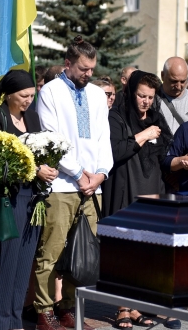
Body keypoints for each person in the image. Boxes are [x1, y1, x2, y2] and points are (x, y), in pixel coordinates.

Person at [35, 36, 113, 330]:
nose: (88, 74)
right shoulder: (51, 91)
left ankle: (68, 307)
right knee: (52, 250)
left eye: (92, 69)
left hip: (93, 186)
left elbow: (103, 137)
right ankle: (44, 311)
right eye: (83, 68)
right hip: (62, 186)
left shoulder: (96, 94)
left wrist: (101, 174)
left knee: (83, 252)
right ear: (68, 63)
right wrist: (79, 174)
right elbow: (51, 138)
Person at [0, 70, 57, 330]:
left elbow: (41, 152)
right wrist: (34, 170)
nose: (28, 100)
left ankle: (16, 322)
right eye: (23, 96)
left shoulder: (33, 117)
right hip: (10, 198)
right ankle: (2, 323)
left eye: (31, 95)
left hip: (33, 197)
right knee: (7, 263)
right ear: (9, 94)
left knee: (25, 264)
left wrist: (50, 167)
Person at [102, 71, 170, 329]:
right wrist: (143, 136)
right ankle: (122, 307)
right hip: (124, 190)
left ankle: (136, 305)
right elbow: (115, 151)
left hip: (150, 192)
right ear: (131, 93)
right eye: (142, 96)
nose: (146, 102)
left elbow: (165, 153)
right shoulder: (116, 116)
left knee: (143, 252)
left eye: (150, 97)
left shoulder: (155, 118)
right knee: (123, 251)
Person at [156, 57, 188, 134]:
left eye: (182, 81)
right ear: (162, 75)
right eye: (173, 81)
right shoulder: (151, 98)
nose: (178, 86)